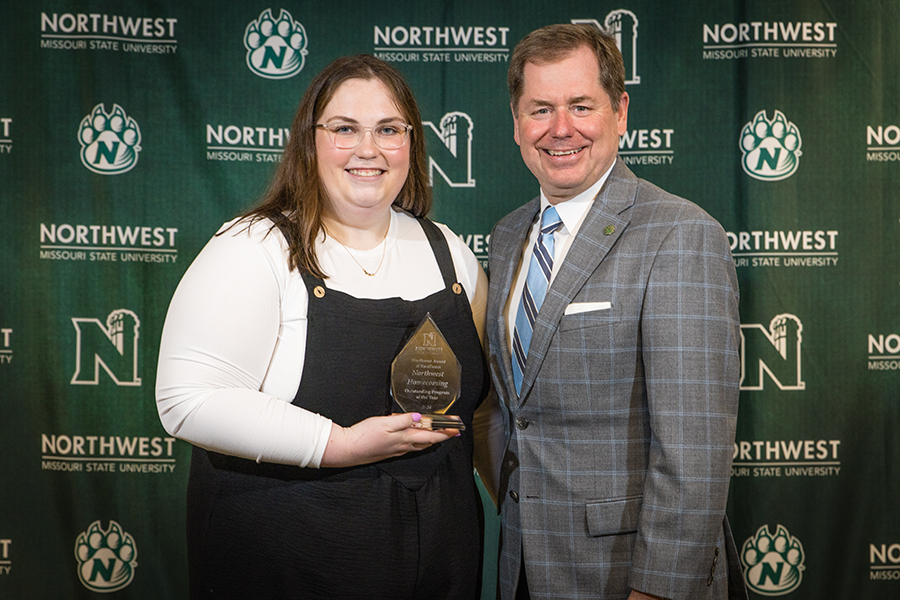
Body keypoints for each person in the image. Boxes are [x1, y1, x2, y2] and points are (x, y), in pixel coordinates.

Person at [156, 54, 502, 600]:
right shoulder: (254, 248)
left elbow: (483, 413)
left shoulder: (450, 256)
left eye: (389, 129)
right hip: (288, 560)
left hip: (440, 562)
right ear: (309, 141)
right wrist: (337, 444)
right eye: (345, 129)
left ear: (411, 143)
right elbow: (187, 399)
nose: (369, 149)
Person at [485, 24, 747, 600]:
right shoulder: (508, 238)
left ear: (620, 111)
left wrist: (657, 590)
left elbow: (695, 446)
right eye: (540, 109)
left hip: (628, 573)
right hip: (524, 564)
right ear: (515, 123)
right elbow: (515, 417)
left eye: (581, 106)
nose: (560, 129)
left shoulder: (680, 234)